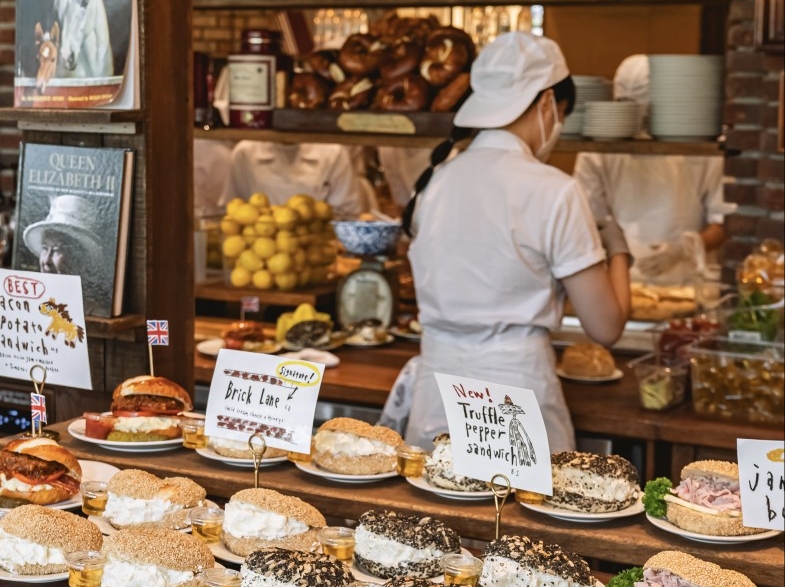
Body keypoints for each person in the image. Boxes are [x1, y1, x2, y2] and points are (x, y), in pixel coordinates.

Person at [403, 32, 630, 452]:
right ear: (547, 104)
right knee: (515, 514)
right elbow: (607, 327)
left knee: (436, 512)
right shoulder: (555, 190)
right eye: (561, 114)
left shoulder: (435, 182)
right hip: (515, 398)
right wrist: (618, 250)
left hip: (437, 392)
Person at [574, 54, 727, 282]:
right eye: (625, 108)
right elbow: (588, 220)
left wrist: (685, 247)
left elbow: (725, 222)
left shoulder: (702, 145)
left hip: (687, 280)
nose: (638, 120)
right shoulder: (598, 150)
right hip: (621, 281)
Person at [228, 140, 365, 219]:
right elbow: (233, 212)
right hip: (258, 254)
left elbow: (348, 215)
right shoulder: (244, 154)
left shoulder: (333, 153)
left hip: (318, 254)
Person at [21, 193, 106, 315]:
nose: (46, 261)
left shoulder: (94, 313)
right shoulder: (31, 308)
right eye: (45, 249)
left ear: (79, 258)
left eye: (56, 250)